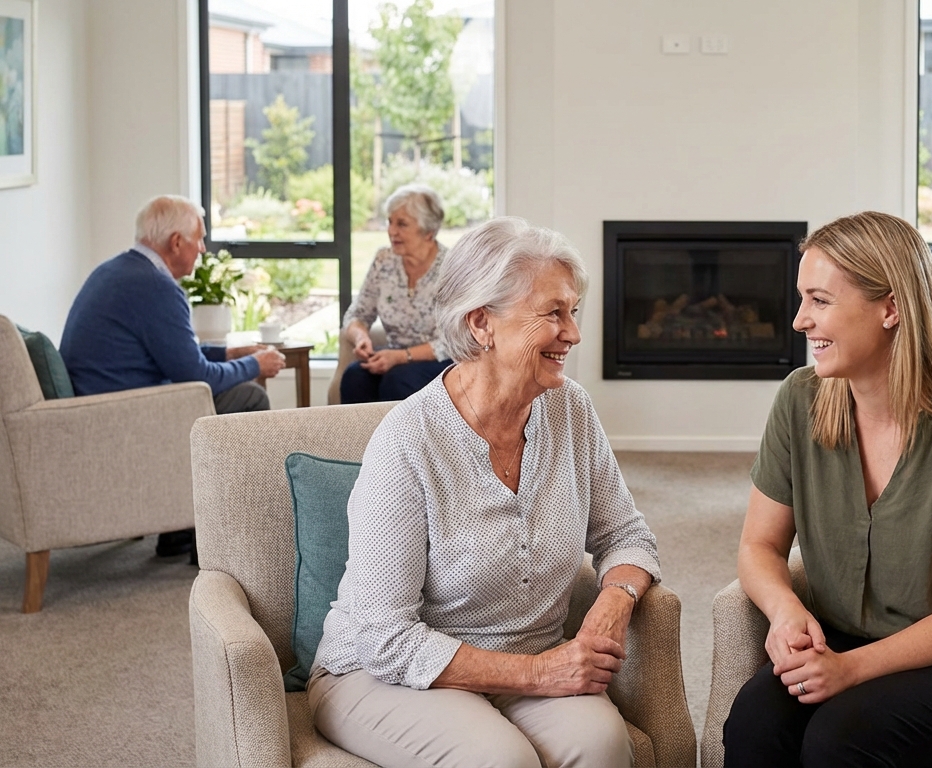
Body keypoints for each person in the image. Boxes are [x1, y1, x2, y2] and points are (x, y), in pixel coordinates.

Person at [310, 217, 660, 768]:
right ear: (481, 324)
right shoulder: (408, 441)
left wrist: (615, 600)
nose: (573, 332)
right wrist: (542, 673)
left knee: (602, 746)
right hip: (380, 672)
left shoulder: (570, 409)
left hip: (530, 653)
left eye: (572, 310)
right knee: (499, 761)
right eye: (553, 312)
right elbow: (385, 637)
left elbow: (626, 534)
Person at [723, 211, 932, 767]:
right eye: (803, 300)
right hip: (847, 636)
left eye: (820, 300)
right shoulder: (799, 400)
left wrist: (849, 670)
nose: (799, 321)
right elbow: (759, 546)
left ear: (892, 307)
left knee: (838, 740)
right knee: (754, 725)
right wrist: (784, 611)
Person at [60, 194, 285, 562]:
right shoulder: (157, 287)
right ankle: (211, 535)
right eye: (199, 239)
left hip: (107, 405)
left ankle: (179, 529)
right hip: (129, 417)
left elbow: (171, 356)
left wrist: (228, 354)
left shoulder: (118, 271)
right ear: (176, 242)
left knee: (230, 390)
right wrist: (256, 366)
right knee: (250, 397)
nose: (203, 249)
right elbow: (197, 376)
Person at [339, 184, 453, 403]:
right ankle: (359, 439)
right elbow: (358, 313)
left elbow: (453, 340)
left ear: (429, 231)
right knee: (354, 376)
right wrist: (361, 337)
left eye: (402, 224)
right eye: (390, 222)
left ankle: (398, 439)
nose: (391, 231)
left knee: (398, 379)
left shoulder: (451, 268)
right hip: (392, 356)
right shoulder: (384, 260)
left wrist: (401, 358)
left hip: (440, 361)